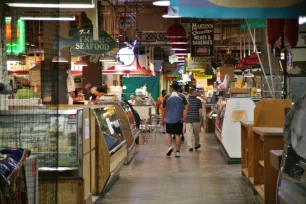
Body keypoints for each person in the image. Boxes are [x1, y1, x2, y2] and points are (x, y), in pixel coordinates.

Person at [161, 81, 189, 157]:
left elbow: (163, 109)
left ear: (172, 88)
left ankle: (169, 147)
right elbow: (187, 107)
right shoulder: (182, 96)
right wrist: (184, 117)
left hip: (168, 119)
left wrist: (162, 119)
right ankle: (177, 151)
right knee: (177, 135)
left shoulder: (167, 96)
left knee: (168, 133)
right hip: (178, 119)